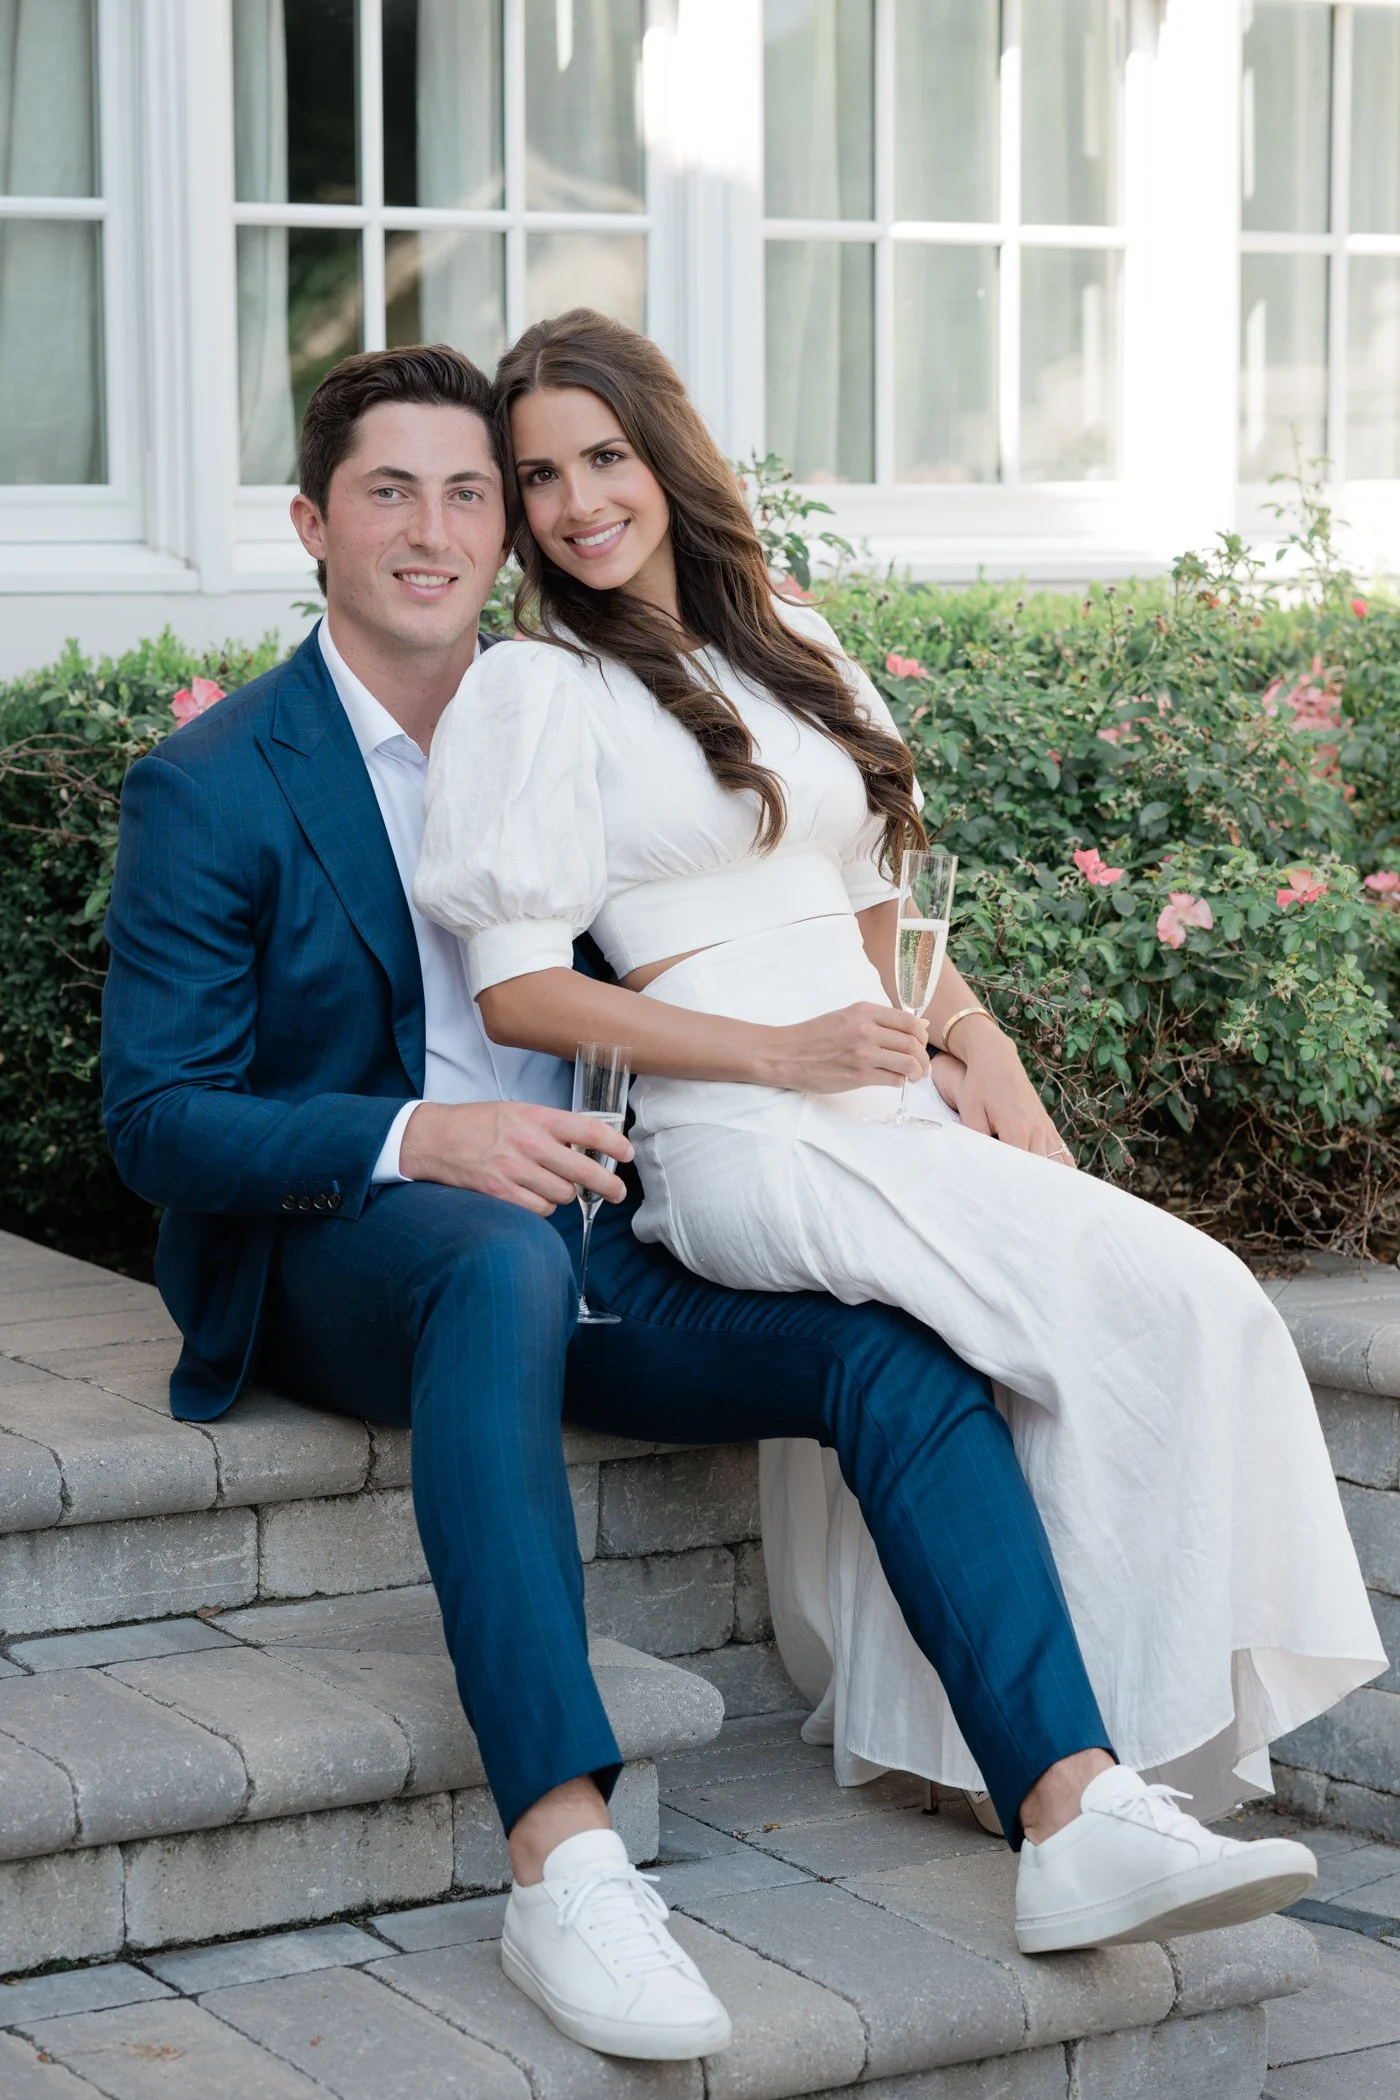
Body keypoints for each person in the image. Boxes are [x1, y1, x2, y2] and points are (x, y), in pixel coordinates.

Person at [410, 310, 1387, 1970]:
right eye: (540, 478)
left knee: (1166, 1309)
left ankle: (1081, 1797)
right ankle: (1101, 1796)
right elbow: (521, 990)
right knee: (1167, 1303)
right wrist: (775, 1052)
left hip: (888, 1098)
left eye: (605, 457)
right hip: (738, 1132)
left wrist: (978, 1050)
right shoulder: (537, 686)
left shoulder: (785, 634)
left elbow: (878, 909)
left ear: (668, 452)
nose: (577, 504)